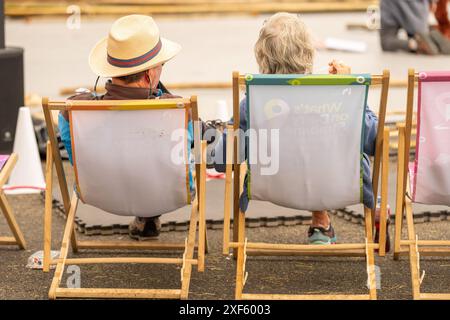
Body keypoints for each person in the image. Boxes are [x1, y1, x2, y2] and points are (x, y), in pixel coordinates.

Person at [211, 12, 378, 245]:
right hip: (337, 183)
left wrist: (222, 131)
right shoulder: (335, 96)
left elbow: (222, 160)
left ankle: (321, 220)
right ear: (308, 51)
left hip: (275, 185)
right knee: (339, 147)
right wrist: (351, 93)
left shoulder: (254, 103)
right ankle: (368, 209)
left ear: (262, 55)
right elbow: (375, 141)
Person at [58, 14, 191, 241]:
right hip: (167, 195)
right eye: (162, 65)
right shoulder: (177, 110)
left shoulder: (73, 112)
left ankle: (144, 215)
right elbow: (185, 156)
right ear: (150, 73)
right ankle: (148, 213)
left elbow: (74, 155)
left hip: (99, 194)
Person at [379, 0, 450, 54]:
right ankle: (431, 36)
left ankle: (414, 44)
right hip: (418, 12)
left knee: (386, 40)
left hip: (391, 4)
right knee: (420, 33)